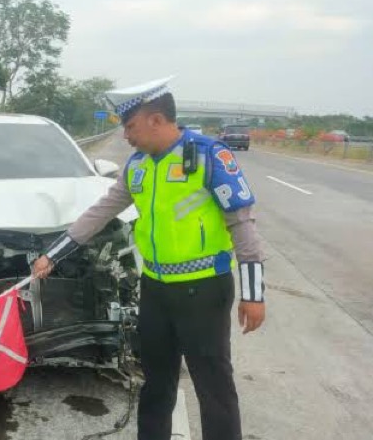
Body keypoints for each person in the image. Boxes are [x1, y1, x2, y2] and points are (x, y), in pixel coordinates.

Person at [32, 77, 266, 440]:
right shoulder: (138, 166)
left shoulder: (208, 156)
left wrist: (255, 294)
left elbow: (242, 224)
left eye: (131, 126)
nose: (127, 135)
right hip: (155, 289)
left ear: (156, 120)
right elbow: (102, 211)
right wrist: (54, 254)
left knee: (213, 385)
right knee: (156, 381)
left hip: (204, 290)